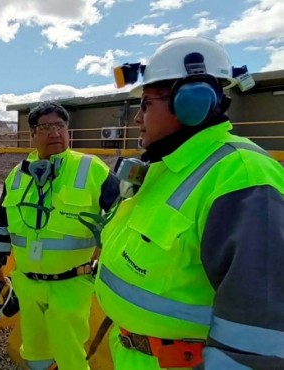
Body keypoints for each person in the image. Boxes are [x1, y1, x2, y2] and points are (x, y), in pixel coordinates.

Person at [97, 36, 284, 370]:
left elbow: (257, 341)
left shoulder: (242, 176)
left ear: (191, 101)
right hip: (131, 353)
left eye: (146, 104)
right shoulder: (164, 168)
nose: (138, 118)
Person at [0, 101, 120, 370]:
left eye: (60, 126)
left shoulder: (93, 169)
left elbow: (124, 219)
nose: (54, 133)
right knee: (35, 354)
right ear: (32, 135)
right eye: (46, 127)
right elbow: (2, 225)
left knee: (70, 357)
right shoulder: (15, 176)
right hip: (27, 285)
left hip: (71, 286)